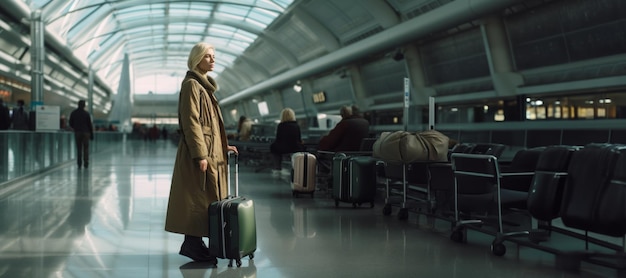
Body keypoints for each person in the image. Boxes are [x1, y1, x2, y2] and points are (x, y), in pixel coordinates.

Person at [164, 42, 238, 264]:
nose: (213, 60)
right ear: (197, 59)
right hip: (200, 154)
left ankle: (196, 244)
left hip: (210, 152)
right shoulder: (192, 85)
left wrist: (223, 146)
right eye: (208, 56)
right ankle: (193, 244)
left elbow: (211, 127)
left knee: (205, 198)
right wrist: (200, 154)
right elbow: (191, 122)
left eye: (213, 56)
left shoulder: (204, 87)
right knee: (198, 198)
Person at [269, 108, 305, 176]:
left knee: (273, 147)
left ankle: (277, 168)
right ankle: (295, 168)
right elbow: (299, 139)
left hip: (283, 148)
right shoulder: (296, 126)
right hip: (295, 148)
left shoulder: (280, 126)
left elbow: (278, 138)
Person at [69, 100, 94, 169]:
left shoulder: (74, 113)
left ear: (78, 104)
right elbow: (89, 125)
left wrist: (76, 127)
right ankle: (86, 162)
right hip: (86, 133)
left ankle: (79, 163)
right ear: (84, 105)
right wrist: (91, 134)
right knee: (86, 148)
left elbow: (70, 123)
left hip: (78, 132)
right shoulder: (86, 114)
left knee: (79, 148)